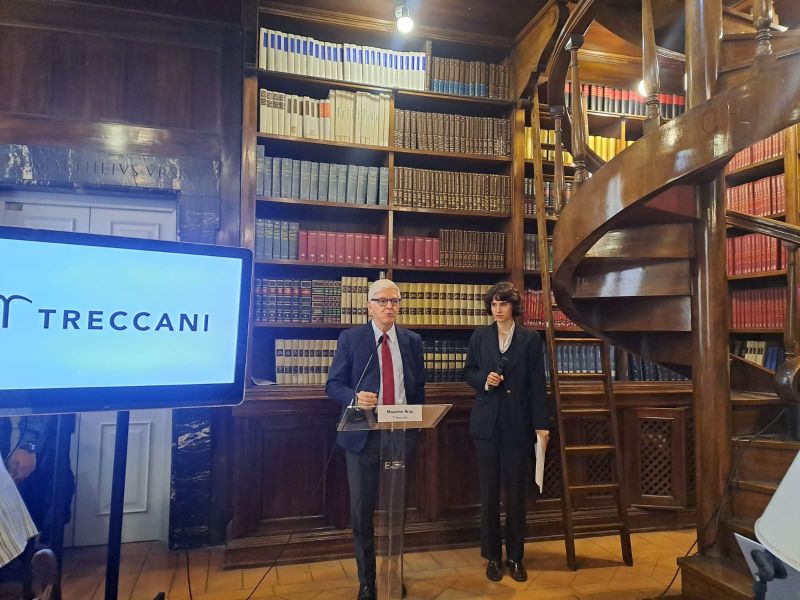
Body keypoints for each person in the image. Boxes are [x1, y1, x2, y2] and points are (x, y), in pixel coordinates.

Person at [326, 279, 425, 600]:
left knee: (397, 512)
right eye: (382, 301)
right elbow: (333, 385)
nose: (389, 306)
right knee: (361, 511)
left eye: (394, 301)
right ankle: (367, 581)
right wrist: (355, 397)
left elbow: (418, 389)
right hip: (363, 438)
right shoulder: (351, 339)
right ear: (369, 306)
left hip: (401, 436)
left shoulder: (412, 341)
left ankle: (393, 576)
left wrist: (416, 430)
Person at [463, 281, 550, 583]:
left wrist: (542, 425)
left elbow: (537, 384)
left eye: (503, 303)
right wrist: (484, 381)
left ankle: (515, 557)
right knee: (488, 494)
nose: (497, 309)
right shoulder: (480, 336)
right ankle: (492, 556)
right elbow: (468, 372)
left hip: (518, 425)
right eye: (494, 304)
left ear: (514, 306)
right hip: (486, 426)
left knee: (515, 494)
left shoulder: (530, 338)